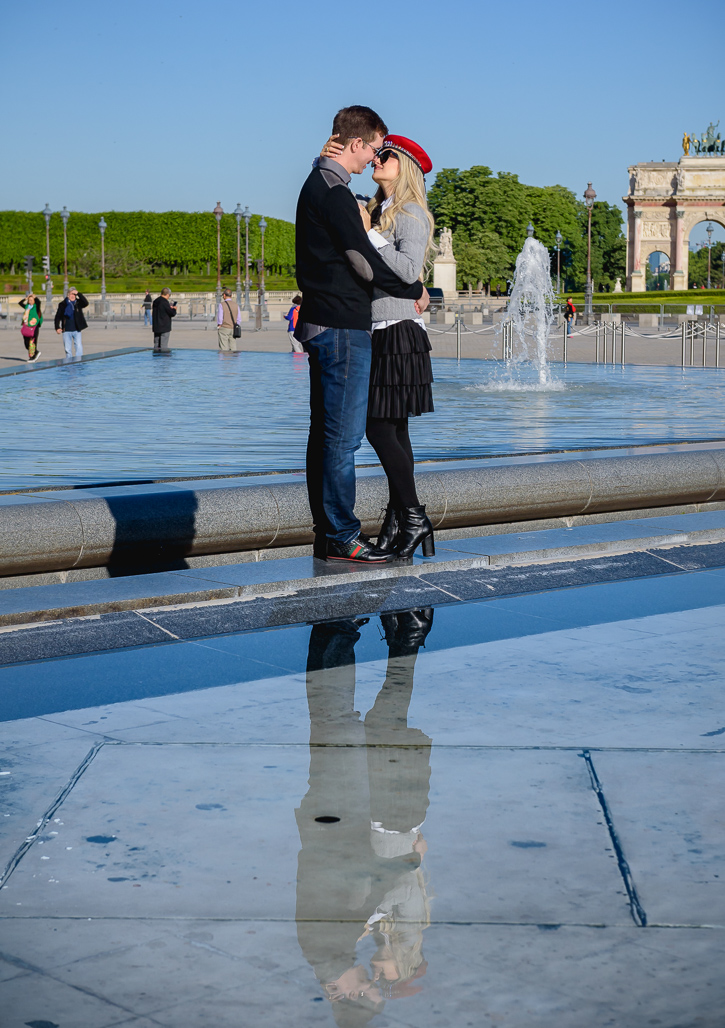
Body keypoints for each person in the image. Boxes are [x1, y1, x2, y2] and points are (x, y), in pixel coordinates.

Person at [294, 105, 429, 564]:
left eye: (384, 154)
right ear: (355, 143)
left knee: (339, 434)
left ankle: (376, 522)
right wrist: (415, 288)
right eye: (374, 148)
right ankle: (346, 533)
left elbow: (378, 259)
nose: (374, 157)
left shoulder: (326, 186)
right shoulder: (336, 194)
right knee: (344, 438)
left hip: (352, 325)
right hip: (344, 326)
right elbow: (362, 262)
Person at [54, 286, 88, 357]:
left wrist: (79, 293)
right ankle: (69, 363)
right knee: (67, 349)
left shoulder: (78, 303)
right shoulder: (63, 304)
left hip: (76, 329)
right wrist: (57, 327)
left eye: (74, 294)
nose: (72, 296)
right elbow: (58, 317)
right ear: (68, 295)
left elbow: (86, 303)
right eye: (71, 294)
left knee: (78, 346)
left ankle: (79, 361)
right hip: (66, 330)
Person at [19, 293, 43, 362]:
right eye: (29, 300)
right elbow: (20, 303)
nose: (30, 302)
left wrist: (35, 297)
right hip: (26, 326)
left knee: (32, 342)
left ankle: (32, 357)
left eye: (32, 300)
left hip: (34, 327)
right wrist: (25, 298)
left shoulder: (36, 307)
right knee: (27, 344)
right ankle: (36, 352)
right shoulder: (27, 307)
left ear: (34, 301)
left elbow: (39, 302)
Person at [151, 288, 176, 353]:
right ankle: (163, 361)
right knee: (163, 346)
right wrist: (174, 309)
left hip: (156, 326)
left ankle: (156, 360)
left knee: (156, 345)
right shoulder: (164, 302)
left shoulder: (156, 301)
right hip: (164, 326)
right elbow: (171, 313)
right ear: (167, 294)